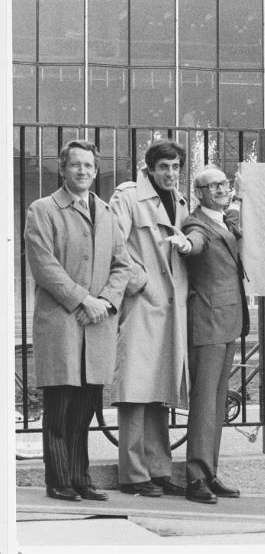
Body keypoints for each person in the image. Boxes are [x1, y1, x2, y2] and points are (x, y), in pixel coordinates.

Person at [24, 140, 133, 502]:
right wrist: (82, 298)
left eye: (88, 166)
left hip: (97, 323)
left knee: (86, 407)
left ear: (95, 170)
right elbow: (44, 266)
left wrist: (104, 301)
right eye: (75, 165)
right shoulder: (43, 210)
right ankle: (59, 479)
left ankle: (81, 477)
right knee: (60, 405)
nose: (82, 171)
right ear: (62, 168)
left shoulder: (106, 212)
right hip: (62, 322)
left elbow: (123, 266)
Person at [109, 139, 191, 497]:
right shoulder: (127, 196)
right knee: (135, 389)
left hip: (171, 306)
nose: (171, 173)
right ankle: (133, 473)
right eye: (164, 167)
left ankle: (158, 469)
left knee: (159, 390)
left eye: (175, 167)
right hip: (144, 304)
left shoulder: (181, 200)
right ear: (150, 168)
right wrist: (140, 283)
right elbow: (112, 244)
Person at [179, 166, 249, 504]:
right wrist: (185, 245)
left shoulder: (226, 218)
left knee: (218, 402)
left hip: (228, 320)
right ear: (200, 193)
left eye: (224, 183)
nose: (222, 188)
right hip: (208, 319)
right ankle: (196, 477)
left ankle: (210, 471)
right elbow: (195, 243)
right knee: (205, 402)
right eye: (213, 185)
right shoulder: (197, 224)